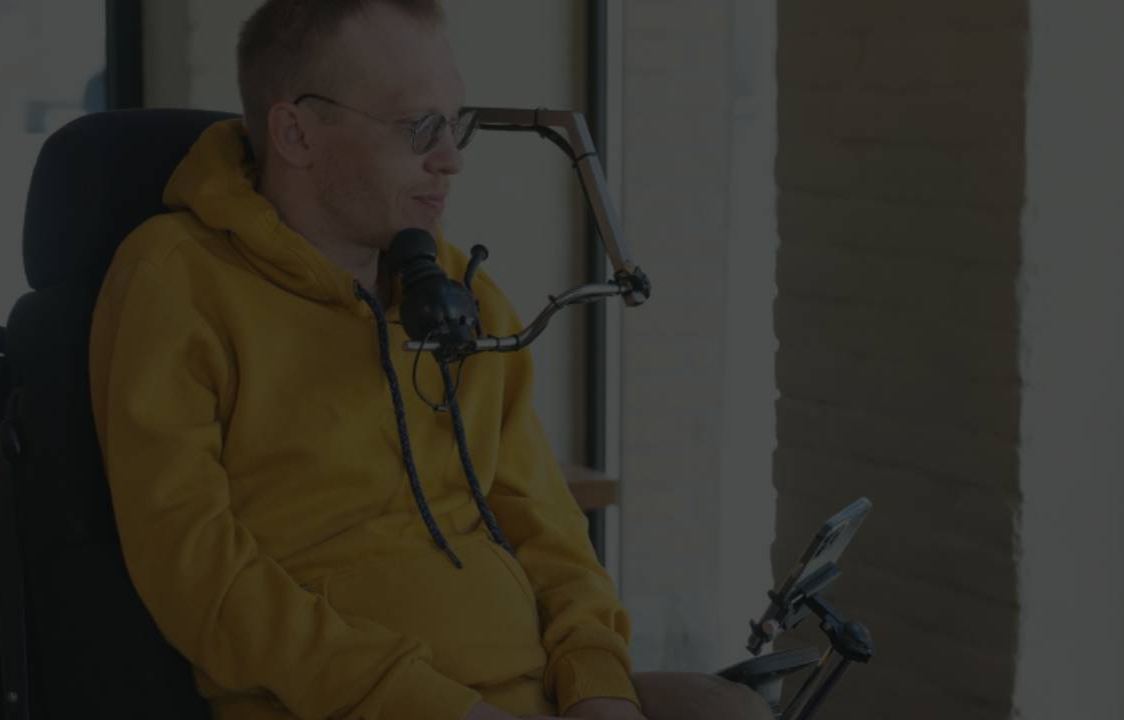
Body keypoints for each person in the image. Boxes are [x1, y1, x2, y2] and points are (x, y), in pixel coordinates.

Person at [86, 2, 768, 719]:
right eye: (418, 127)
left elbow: (548, 527)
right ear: (296, 133)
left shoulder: (462, 299)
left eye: (454, 123)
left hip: (531, 692)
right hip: (346, 705)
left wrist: (598, 686)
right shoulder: (177, 281)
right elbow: (195, 572)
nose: (451, 158)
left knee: (734, 711)